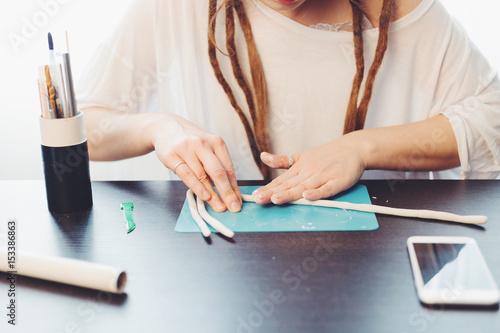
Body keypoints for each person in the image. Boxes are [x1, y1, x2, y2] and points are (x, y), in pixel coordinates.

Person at [77, 0, 500, 214]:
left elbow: (492, 115)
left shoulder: (402, 10)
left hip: (385, 262)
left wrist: (362, 148)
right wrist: (158, 127)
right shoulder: (174, 8)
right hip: (217, 261)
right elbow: (84, 127)